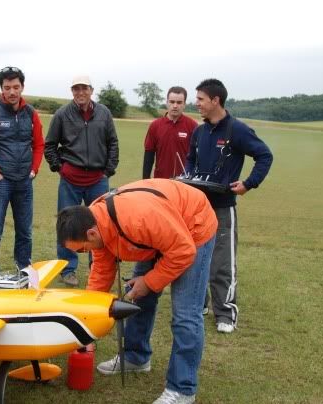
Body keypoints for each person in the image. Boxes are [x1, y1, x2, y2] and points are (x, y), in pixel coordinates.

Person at [57, 179, 217, 404]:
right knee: (140, 298)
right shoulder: (97, 221)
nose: (84, 253)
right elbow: (101, 273)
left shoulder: (138, 219)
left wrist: (150, 281)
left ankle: (182, 390)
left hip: (193, 227)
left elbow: (183, 251)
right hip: (158, 233)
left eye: (82, 250)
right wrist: (86, 327)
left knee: (185, 314)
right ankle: (135, 357)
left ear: (91, 234)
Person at [187, 78, 273, 334]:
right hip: (196, 208)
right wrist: (190, 178)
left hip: (223, 207)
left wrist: (249, 183)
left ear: (216, 101)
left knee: (222, 263)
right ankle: (199, 304)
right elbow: (191, 159)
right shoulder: (199, 131)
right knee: (192, 257)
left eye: (201, 99)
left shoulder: (237, 130)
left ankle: (225, 313)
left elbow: (264, 155)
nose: (197, 103)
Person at [0, 66, 45, 285]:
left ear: (22, 87)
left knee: (25, 232)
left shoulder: (31, 113)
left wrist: (34, 169)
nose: (12, 92)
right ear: (1, 88)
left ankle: (24, 274)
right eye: (7, 87)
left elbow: (39, 144)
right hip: (0, 183)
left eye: (16, 87)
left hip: (24, 182)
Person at [44, 75, 119, 287]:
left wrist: (108, 170)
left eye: (84, 88)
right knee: (67, 224)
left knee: (101, 224)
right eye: (76, 89)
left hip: (98, 179)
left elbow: (112, 143)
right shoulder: (61, 114)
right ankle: (68, 269)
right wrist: (60, 168)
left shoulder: (104, 113)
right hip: (71, 179)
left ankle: (98, 265)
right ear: (72, 91)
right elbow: (50, 145)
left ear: (91, 90)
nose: (80, 93)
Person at [143, 86, 197, 179]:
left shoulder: (193, 126)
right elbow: (149, 156)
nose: (175, 106)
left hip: (185, 182)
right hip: (161, 181)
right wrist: (145, 180)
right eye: (172, 102)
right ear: (167, 103)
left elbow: (197, 158)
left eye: (179, 102)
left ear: (184, 104)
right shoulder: (155, 125)